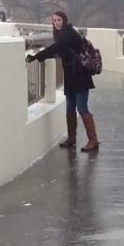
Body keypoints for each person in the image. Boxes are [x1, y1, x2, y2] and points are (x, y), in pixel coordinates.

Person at [26, 11, 99, 152]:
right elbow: (60, 51)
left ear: (64, 21)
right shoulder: (62, 34)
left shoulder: (68, 33)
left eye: (59, 20)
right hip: (71, 76)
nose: (56, 22)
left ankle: (93, 140)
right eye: (54, 20)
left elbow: (56, 47)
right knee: (70, 108)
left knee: (82, 108)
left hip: (80, 76)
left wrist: (37, 56)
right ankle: (72, 138)